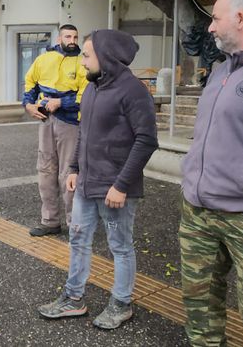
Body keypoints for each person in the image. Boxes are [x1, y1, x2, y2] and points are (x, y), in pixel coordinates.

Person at [180, 0, 243, 346]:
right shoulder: (221, 70)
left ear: (240, 17)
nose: (210, 27)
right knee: (200, 309)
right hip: (198, 214)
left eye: (215, 18)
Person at [38, 30, 158, 330]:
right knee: (78, 239)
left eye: (87, 55)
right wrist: (74, 168)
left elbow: (146, 140)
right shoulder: (92, 88)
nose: (82, 62)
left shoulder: (134, 91)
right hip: (86, 184)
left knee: (120, 246)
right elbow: (84, 132)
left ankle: (121, 303)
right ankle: (73, 298)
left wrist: (121, 185)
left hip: (115, 189)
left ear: (106, 57)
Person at [22, 25, 88, 236]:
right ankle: (50, 221)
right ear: (59, 38)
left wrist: (61, 102)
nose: (72, 40)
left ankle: (75, 224)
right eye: (68, 36)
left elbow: (86, 95)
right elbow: (30, 83)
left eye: (75, 37)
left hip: (71, 123)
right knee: (45, 170)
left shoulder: (82, 62)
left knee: (69, 173)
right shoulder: (43, 59)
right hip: (46, 121)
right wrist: (28, 104)